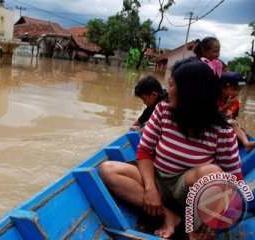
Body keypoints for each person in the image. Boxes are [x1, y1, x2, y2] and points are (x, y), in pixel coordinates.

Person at [99, 57, 242, 240]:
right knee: (108, 169)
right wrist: (150, 189)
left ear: (190, 92)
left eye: (172, 85)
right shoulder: (162, 111)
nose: (168, 91)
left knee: (212, 172)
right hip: (156, 179)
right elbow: (144, 151)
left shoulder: (223, 132)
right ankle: (168, 215)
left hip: (188, 195)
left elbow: (233, 180)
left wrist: (210, 219)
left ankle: (194, 225)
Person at [219, 71, 255, 152]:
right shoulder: (216, 99)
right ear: (222, 88)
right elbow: (209, 116)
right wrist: (226, 107)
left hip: (226, 126)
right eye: (233, 89)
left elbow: (232, 118)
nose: (236, 93)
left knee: (238, 128)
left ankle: (245, 143)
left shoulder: (236, 103)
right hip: (215, 126)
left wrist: (238, 129)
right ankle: (246, 143)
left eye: (239, 90)